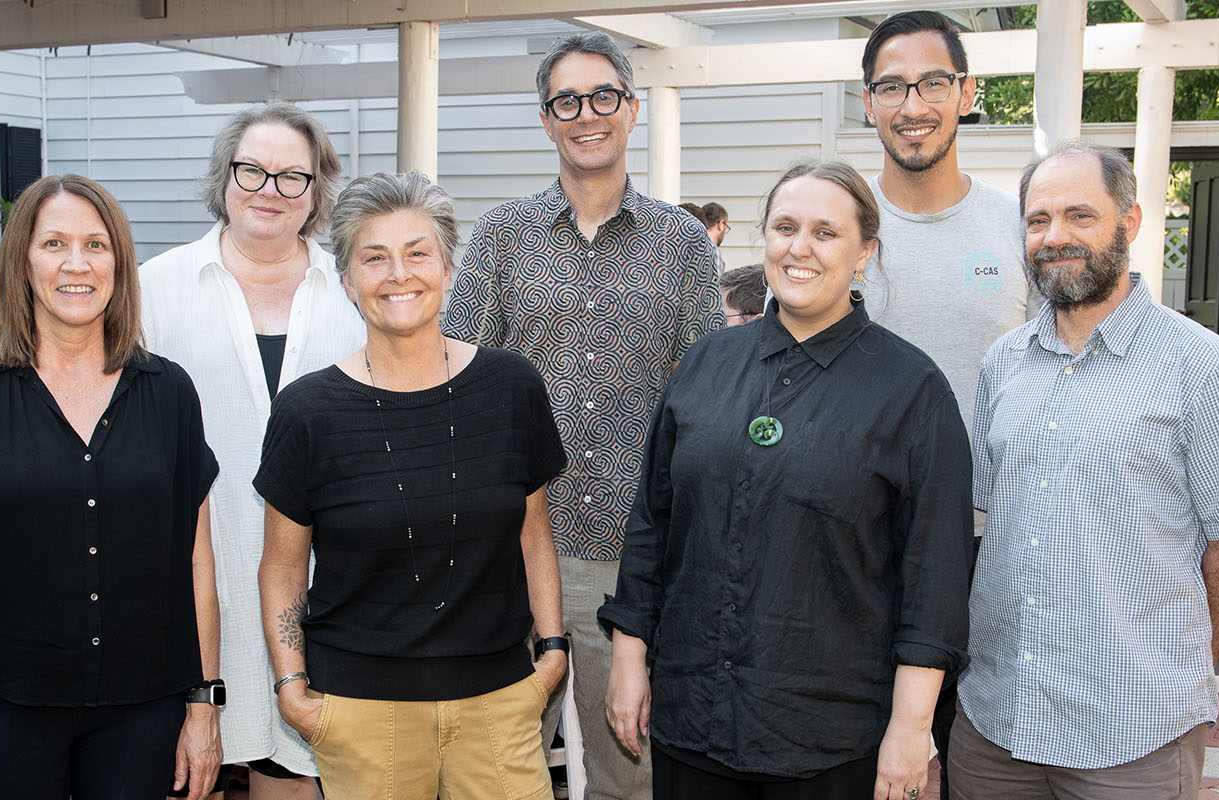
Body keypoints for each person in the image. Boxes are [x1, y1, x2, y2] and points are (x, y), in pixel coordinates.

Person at [600, 160, 973, 800]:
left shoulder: (912, 391)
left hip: (827, 738)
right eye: (785, 227)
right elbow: (653, 523)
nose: (800, 248)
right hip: (692, 717)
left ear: (865, 254)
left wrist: (912, 728)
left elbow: (934, 578)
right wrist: (629, 658)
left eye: (826, 232)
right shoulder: (706, 362)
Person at [443, 32, 723, 799]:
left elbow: (711, 399)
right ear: (546, 119)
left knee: (630, 771)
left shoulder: (684, 243)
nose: (587, 114)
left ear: (632, 109)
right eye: (567, 101)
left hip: (631, 562)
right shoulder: (502, 237)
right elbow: (451, 375)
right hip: (511, 551)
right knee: (499, 769)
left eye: (604, 96)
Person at [952, 141, 1219, 799]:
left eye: (1079, 215)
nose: (1054, 237)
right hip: (994, 724)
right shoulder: (1002, 363)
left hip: (1132, 733)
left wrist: (1177, 672)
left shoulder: (1204, 369)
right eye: (1037, 220)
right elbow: (995, 523)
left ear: (1129, 222)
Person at [0, 174, 222, 800]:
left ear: (119, 264)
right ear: (22, 260)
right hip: (5, 708)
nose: (77, 264)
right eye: (53, 243)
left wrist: (203, 709)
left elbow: (197, 562)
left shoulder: (169, 393)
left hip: (144, 709)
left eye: (96, 245)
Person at [254, 171, 568, 800]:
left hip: (500, 702)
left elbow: (533, 531)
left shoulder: (511, 387)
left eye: (417, 253)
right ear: (347, 281)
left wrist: (553, 650)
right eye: (375, 258)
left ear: (448, 269)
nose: (399, 274)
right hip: (365, 715)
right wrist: (292, 687)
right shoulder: (308, 410)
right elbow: (283, 565)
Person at [141, 102, 366, 799]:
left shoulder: (356, 289)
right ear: (224, 176)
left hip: (336, 581)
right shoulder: (156, 289)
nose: (269, 189)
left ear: (317, 191)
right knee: (175, 766)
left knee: (298, 769)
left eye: (291, 176)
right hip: (199, 571)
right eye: (252, 170)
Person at [858, 13, 1038, 792]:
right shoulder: (835, 223)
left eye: (934, 82)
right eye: (892, 86)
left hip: (988, 545)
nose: (914, 104)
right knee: (865, 759)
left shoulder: (1018, 227)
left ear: (967, 94)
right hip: (856, 542)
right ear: (868, 102)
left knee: (981, 761)